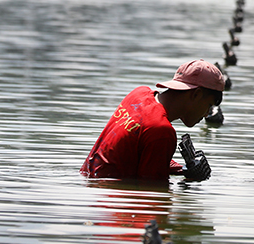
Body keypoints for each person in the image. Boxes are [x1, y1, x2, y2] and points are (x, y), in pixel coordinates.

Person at [80, 59, 225, 181]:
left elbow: (141, 154)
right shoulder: (162, 132)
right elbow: (153, 195)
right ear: (197, 95)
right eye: (209, 106)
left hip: (89, 182)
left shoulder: (138, 95)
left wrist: (183, 170)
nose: (207, 114)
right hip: (109, 196)